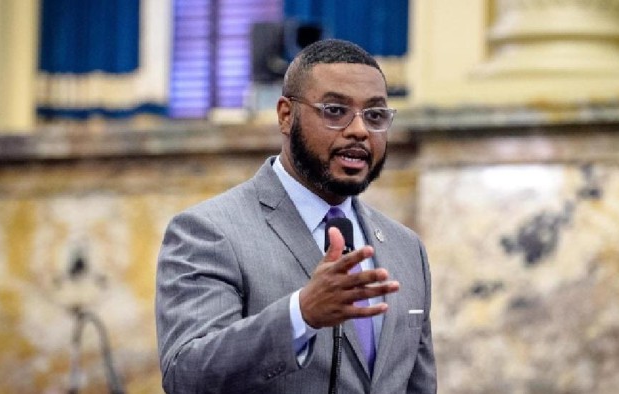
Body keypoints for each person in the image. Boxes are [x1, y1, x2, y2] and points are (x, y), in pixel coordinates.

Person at [155, 38, 436, 394]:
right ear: (286, 115)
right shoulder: (209, 231)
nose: (359, 130)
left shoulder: (406, 248)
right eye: (335, 110)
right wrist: (300, 315)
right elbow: (187, 375)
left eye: (375, 115)